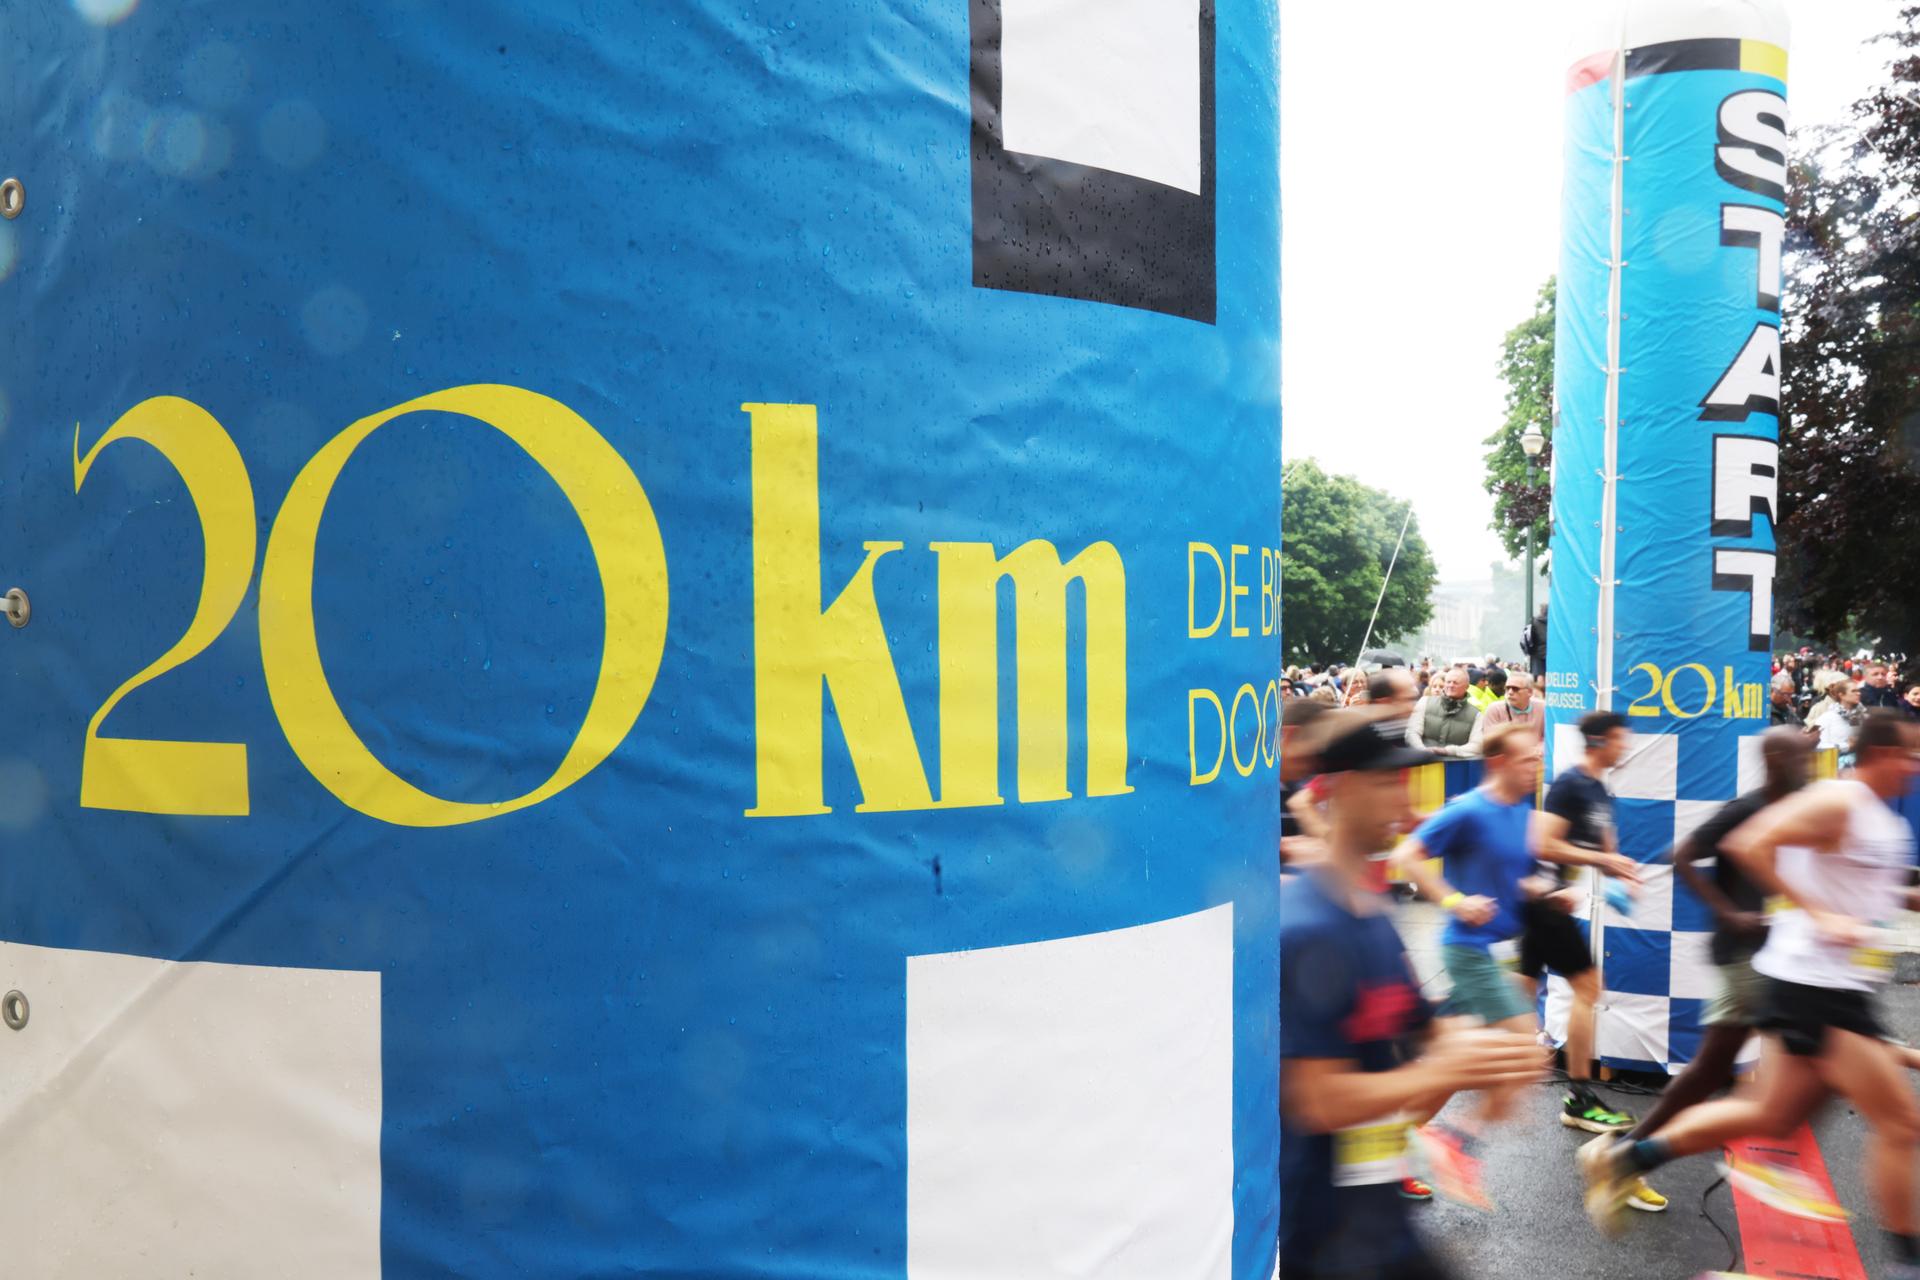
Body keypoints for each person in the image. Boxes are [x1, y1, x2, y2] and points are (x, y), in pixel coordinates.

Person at [1580, 714, 1920, 1273]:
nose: (1914, 765)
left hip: (1831, 986)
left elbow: (1875, 890)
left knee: (1770, 1114)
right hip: (1815, 987)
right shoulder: (1839, 802)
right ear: (1881, 752)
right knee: (1902, 1122)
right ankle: (1906, 1263)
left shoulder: (1875, 817)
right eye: (1908, 753)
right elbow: (1749, 844)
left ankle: (1626, 1158)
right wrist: (1813, 916)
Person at [1281, 717, 1547, 1278]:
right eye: (1386, 783)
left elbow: (1423, 1030)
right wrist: (1443, 1071)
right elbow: (1318, 1098)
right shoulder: (1306, 927)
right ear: (1342, 788)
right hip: (1328, 1229)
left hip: (1380, 1211)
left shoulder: (1372, 913)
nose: (1403, 799)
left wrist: (1496, 1058)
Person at [1390, 723, 1638, 1208]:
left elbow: (1523, 881)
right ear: (1498, 762)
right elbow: (1408, 855)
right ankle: (1457, 1144)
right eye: (1527, 760)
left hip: (1491, 952)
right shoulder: (1468, 810)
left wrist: (1554, 895)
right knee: (1526, 1044)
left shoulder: (1522, 813)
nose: (1536, 768)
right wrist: (1455, 900)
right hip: (1465, 950)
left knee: (1455, 1065)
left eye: (1538, 760)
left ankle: (1388, 1149)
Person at [1610, 728, 1813, 1156]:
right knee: (1715, 1067)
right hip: (1745, 957)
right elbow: (1680, 854)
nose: (1808, 768)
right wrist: (1728, 912)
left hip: (1781, 954)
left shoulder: (1800, 806)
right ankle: (1630, 1150)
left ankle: (1633, 1148)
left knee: (1775, 1062)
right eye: (1800, 760)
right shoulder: (1748, 807)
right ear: (1776, 760)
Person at [1530, 713, 1660, 1189]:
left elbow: (1603, 850)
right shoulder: (1569, 784)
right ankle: (1577, 1098)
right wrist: (1602, 860)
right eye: (1621, 740)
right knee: (1573, 992)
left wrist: (1619, 875)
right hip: (1538, 901)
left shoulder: (1601, 791)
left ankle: (1579, 1096)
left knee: (1577, 991)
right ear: (1601, 741)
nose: (1626, 747)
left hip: (1551, 903)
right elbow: (1544, 843)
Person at [1407, 667, 1483, 758]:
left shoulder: (1476, 715)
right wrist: (1423, 751)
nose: (1451, 685)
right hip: (1424, 764)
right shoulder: (1424, 702)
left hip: (1455, 767)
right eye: (1448, 682)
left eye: (1455, 683)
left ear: (1467, 687)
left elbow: (1477, 746)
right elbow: (1412, 732)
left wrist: (1448, 751)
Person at [1818, 679, 1866, 758]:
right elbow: (1819, 746)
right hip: (1835, 766)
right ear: (1841, 695)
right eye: (1853, 691)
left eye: (1859, 690)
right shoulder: (1827, 718)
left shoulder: (1864, 716)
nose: (1858, 693)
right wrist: (1847, 746)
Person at [1521, 607, 1548, 682]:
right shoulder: (1554, 622)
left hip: (1537, 653)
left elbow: (1527, 638)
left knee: (1539, 676)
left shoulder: (1534, 622)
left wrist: (1528, 651)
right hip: (1550, 653)